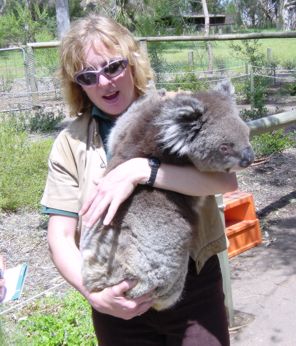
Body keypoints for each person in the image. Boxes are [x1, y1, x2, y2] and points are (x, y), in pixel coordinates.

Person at [41, 14, 237, 346]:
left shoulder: (175, 109)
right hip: (116, 298)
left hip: (191, 286)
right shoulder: (71, 143)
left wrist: (142, 171)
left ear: (132, 62)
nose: (104, 83)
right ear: (78, 84)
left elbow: (225, 181)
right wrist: (96, 295)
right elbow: (59, 235)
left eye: (113, 67)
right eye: (88, 76)